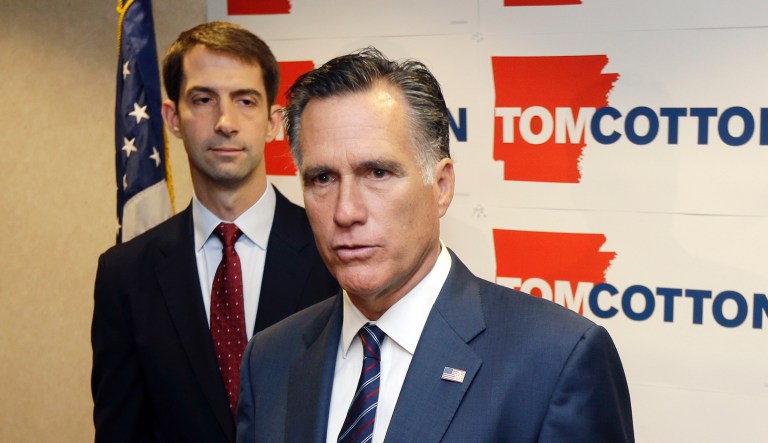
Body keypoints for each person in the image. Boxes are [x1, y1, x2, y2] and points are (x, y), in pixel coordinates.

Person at [236, 47, 634, 443]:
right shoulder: (270, 358)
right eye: (322, 179)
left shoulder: (555, 360)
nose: (345, 212)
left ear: (441, 187)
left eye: (377, 172)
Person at [91, 21, 338, 443]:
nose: (225, 122)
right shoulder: (125, 274)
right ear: (172, 118)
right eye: (204, 100)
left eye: (245, 100)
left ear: (274, 121)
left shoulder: (335, 250)